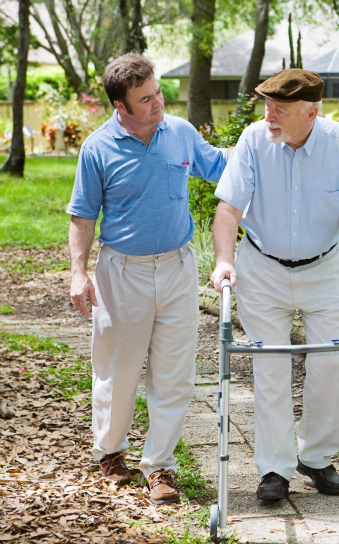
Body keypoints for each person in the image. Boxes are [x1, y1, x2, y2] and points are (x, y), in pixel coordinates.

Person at [209, 69, 339, 502]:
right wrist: (224, 260)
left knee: (331, 364)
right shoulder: (253, 141)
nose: (269, 115)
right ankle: (274, 468)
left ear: (311, 112)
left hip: (325, 267)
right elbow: (228, 209)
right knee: (270, 367)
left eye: (279, 109)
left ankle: (318, 457)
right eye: (267, 106)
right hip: (263, 267)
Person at [67, 53, 230, 504]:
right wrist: (79, 273)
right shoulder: (98, 148)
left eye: (158, 92)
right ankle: (110, 453)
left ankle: (159, 467)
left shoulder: (179, 132)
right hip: (122, 273)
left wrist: (267, 144)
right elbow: (83, 215)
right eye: (146, 99)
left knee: (175, 374)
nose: (158, 103)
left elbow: (221, 167)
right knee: (119, 371)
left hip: (178, 268)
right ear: (121, 106)